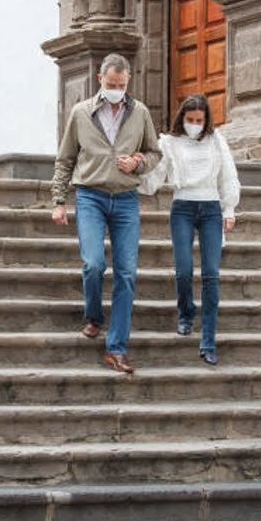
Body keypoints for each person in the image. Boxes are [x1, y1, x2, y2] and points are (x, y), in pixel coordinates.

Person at [50, 53, 162, 374]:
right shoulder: (81, 113)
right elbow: (65, 159)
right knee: (94, 263)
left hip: (126, 200)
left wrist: (138, 163)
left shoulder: (139, 112)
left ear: (128, 82)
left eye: (122, 85)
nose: (117, 90)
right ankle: (94, 315)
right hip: (90, 197)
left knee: (126, 274)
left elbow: (155, 152)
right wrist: (59, 200)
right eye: (112, 84)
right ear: (100, 79)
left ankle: (116, 348)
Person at [137, 94, 241, 366]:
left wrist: (229, 209)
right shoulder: (169, 143)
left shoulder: (217, 141)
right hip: (182, 206)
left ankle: (208, 340)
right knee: (183, 271)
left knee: (211, 276)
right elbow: (155, 176)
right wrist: (134, 173)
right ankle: (185, 313)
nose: (194, 124)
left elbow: (228, 175)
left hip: (211, 209)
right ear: (182, 118)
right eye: (190, 120)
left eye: (199, 120)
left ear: (206, 120)